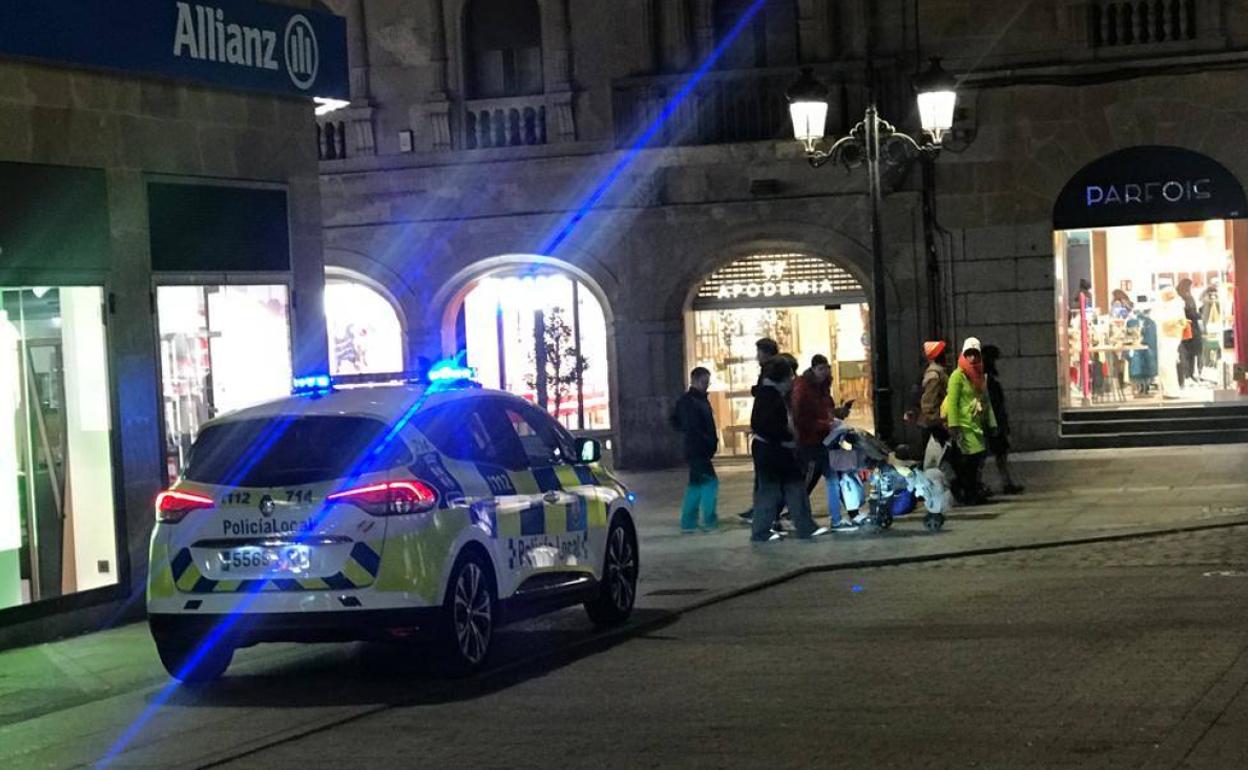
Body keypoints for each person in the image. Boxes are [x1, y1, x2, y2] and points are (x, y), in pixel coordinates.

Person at [750, 358, 827, 542]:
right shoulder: (769, 396)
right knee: (774, 491)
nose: (793, 380)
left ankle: (803, 526)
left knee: (790, 488)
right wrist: (786, 439)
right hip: (773, 451)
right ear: (782, 378)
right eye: (790, 376)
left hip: (775, 450)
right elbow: (764, 425)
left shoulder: (772, 394)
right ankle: (764, 531)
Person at [792, 354, 856, 530]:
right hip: (809, 442)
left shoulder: (823, 388)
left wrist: (837, 414)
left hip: (824, 441)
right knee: (805, 483)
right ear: (813, 369)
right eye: (820, 368)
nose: (824, 372)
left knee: (833, 478)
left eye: (826, 368)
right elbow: (801, 417)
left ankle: (837, 519)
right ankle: (796, 518)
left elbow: (825, 411)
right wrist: (825, 423)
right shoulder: (803, 387)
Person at [942, 337, 997, 505]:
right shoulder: (957, 376)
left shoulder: (979, 376)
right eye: (969, 354)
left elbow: (986, 401)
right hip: (964, 427)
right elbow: (952, 402)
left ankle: (971, 492)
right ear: (963, 355)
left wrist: (992, 423)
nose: (972, 358)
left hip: (976, 425)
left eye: (975, 354)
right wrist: (953, 425)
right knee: (969, 463)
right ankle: (968, 493)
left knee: (976, 462)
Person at [737, 338, 780, 524]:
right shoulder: (768, 371)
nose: (757, 357)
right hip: (765, 433)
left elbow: (767, 399)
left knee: (768, 479)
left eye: (759, 353)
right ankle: (760, 509)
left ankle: (764, 513)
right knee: (764, 478)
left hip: (768, 435)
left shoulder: (772, 371)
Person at [673, 367, 719, 533]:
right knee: (710, 483)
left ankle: (689, 522)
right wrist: (707, 442)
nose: (707, 385)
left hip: (696, 448)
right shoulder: (692, 402)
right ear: (697, 381)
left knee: (696, 484)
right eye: (705, 382)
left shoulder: (692, 400)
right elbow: (691, 427)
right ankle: (708, 520)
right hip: (698, 449)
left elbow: (675, 421)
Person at [981, 345, 1023, 495]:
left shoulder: (986, 378)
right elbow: (992, 403)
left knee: (997, 454)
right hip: (991, 422)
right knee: (989, 454)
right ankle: (1002, 483)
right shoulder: (986, 380)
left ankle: (1005, 482)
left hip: (991, 421)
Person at [917, 340, 950, 463]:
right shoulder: (935, 375)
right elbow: (929, 403)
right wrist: (939, 422)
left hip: (935, 424)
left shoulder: (937, 372)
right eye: (944, 353)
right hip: (935, 426)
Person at [1154, 284, 1185, 398]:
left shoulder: (1176, 305)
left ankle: (1172, 391)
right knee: (1165, 364)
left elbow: (1170, 321)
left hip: (1171, 337)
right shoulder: (1169, 306)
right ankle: (1168, 390)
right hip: (1167, 337)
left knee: (1167, 364)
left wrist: (1160, 318)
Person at [1176, 278, 1202, 385]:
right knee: (1192, 353)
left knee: (1184, 354)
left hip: (1182, 329)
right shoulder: (1188, 297)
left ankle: (1185, 376)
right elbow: (1192, 313)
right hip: (1191, 328)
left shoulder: (1178, 297)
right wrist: (1200, 315)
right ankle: (1189, 374)